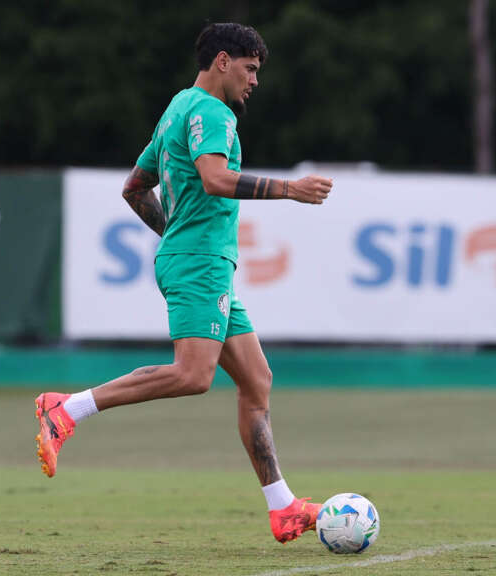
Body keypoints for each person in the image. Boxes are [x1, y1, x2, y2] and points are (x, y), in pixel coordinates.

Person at [34, 22, 334, 544]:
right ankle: (67, 407)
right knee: (194, 375)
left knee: (256, 381)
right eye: (251, 68)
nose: (254, 81)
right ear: (223, 61)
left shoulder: (178, 106)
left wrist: (175, 232)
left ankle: (282, 506)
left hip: (202, 259)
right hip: (199, 262)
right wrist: (289, 188)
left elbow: (134, 187)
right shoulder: (213, 114)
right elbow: (216, 179)